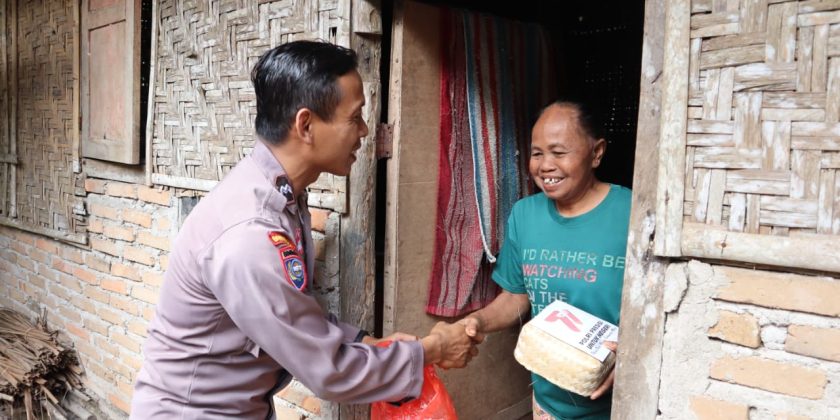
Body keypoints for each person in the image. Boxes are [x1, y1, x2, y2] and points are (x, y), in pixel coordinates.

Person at [130, 40, 475, 419]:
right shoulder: (250, 233)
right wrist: (433, 350)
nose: (364, 131)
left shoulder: (279, 196)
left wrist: (366, 342)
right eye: (355, 117)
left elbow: (296, 315)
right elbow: (329, 370)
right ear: (306, 125)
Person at [460, 101, 631, 419]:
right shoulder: (525, 215)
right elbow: (516, 295)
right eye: (537, 153)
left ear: (596, 153)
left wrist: (634, 354)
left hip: (621, 405)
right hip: (547, 403)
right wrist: (477, 322)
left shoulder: (632, 213)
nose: (544, 165)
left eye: (559, 152)